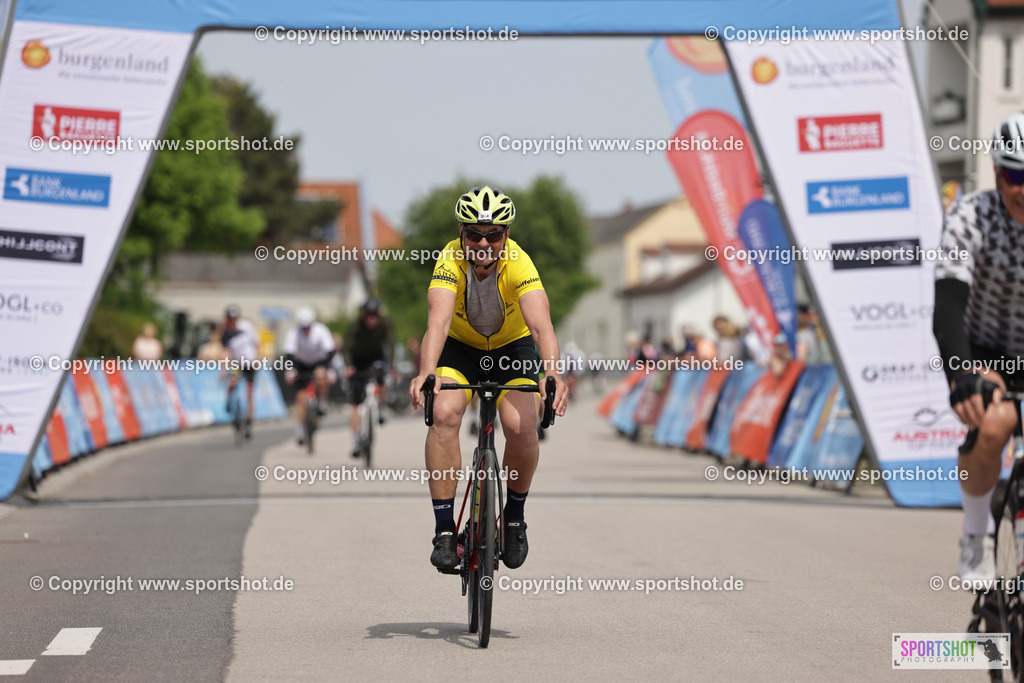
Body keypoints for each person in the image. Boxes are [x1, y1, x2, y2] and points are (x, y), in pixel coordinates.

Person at [408, 185, 569, 571]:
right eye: (474, 234)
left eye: (494, 234)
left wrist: (553, 374)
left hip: (511, 349)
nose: (483, 243)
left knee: (522, 424)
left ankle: (513, 518)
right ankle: (445, 530)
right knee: (444, 414)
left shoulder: (520, 263)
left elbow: (542, 326)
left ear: (506, 235)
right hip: (461, 350)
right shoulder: (448, 259)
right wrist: (427, 371)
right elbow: (439, 321)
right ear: (461, 233)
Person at [933, 112, 1024, 583]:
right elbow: (948, 302)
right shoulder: (971, 214)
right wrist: (959, 374)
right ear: (997, 173)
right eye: (1016, 176)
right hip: (986, 351)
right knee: (995, 424)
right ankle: (975, 532)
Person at [343, 298, 394, 457]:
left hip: (376, 358)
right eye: (368, 315)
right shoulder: (355, 325)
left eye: (374, 316)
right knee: (355, 404)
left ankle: (381, 408)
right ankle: (356, 441)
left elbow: (390, 344)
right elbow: (346, 346)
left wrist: (390, 366)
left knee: (383, 379)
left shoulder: (386, 324)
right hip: (358, 359)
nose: (371, 319)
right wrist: (348, 365)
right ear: (364, 315)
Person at [282, 307, 336, 445]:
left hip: (319, 361)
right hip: (302, 363)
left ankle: (322, 401)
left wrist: (330, 370)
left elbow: (330, 351)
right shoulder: (294, 332)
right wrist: (290, 371)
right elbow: (289, 353)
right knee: (300, 398)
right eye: (303, 327)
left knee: (320, 376)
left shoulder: (321, 330)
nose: (306, 330)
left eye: (308, 327)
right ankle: (300, 430)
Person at [222, 304, 260, 438]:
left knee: (249, 393)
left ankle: (249, 422)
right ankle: (229, 400)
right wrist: (223, 369)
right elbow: (226, 352)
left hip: (249, 363)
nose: (233, 321)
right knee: (232, 381)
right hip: (236, 363)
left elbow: (256, 343)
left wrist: (257, 359)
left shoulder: (247, 326)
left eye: (235, 318)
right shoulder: (226, 332)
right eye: (230, 318)